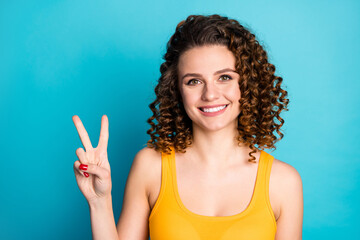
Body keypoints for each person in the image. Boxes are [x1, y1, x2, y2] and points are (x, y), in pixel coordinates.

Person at [72, 14, 303, 240]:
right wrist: (99, 202)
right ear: (177, 91)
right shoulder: (151, 167)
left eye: (224, 77)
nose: (210, 94)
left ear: (248, 83)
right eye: (194, 81)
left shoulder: (283, 182)